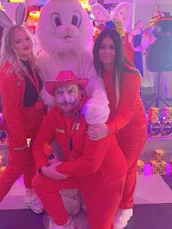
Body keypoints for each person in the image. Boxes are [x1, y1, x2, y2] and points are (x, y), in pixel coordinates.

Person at [32, 70, 127, 229]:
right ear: (54, 96)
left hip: (105, 178)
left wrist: (58, 169)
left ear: (81, 92)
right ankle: (64, 224)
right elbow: (37, 143)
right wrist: (43, 168)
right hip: (77, 171)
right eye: (60, 92)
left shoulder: (93, 114)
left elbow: (91, 164)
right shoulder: (54, 114)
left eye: (71, 91)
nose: (66, 98)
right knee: (40, 182)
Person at [0, 24, 46, 229]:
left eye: (26, 39)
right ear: (10, 45)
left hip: (36, 124)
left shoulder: (33, 61)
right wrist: (21, 139)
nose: (24, 44)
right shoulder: (8, 71)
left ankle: (29, 195)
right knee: (14, 168)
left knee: (32, 162)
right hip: (20, 128)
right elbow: (11, 111)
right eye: (18, 41)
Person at [92, 28, 147, 229]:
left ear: (119, 50)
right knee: (116, 170)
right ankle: (113, 203)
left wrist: (107, 129)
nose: (107, 51)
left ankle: (125, 207)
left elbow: (126, 113)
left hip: (132, 130)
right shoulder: (97, 71)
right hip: (112, 128)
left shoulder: (131, 74)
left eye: (112, 47)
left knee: (127, 168)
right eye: (103, 46)